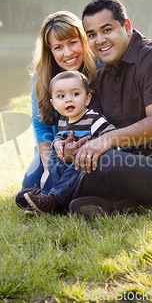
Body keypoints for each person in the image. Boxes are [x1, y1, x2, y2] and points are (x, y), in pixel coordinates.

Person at [62, 0, 152, 215]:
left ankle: (55, 201)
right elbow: (96, 128)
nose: (99, 40)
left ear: (126, 27)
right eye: (91, 35)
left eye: (106, 29)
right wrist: (75, 149)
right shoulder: (102, 76)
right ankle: (120, 204)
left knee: (104, 162)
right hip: (130, 166)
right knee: (81, 161)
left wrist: (105, 141)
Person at [20, 11, 99, 192]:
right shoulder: (41, 79)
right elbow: (41, 127)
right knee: (30, 187)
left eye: (73, 42)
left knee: (75, 182)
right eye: (58, 47)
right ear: (50, 51)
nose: (68, 53)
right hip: (58, 149)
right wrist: (48, 168)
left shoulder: (99, 69)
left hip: (92, 145)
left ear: (83, 40)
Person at [22, 71, 115, 215]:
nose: (68, 100)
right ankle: (44, 199)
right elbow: (60, 135)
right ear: (53, 103)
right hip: (71, 161)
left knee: (74, 168)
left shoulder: (93, 120)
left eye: (75, 94)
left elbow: (113, 135)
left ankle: (52, 201)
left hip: (88, 164)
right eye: (61, 96)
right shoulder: (64, 120)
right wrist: (57, 143)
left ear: (87, 99)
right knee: (59, 166)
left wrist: (98, 146)